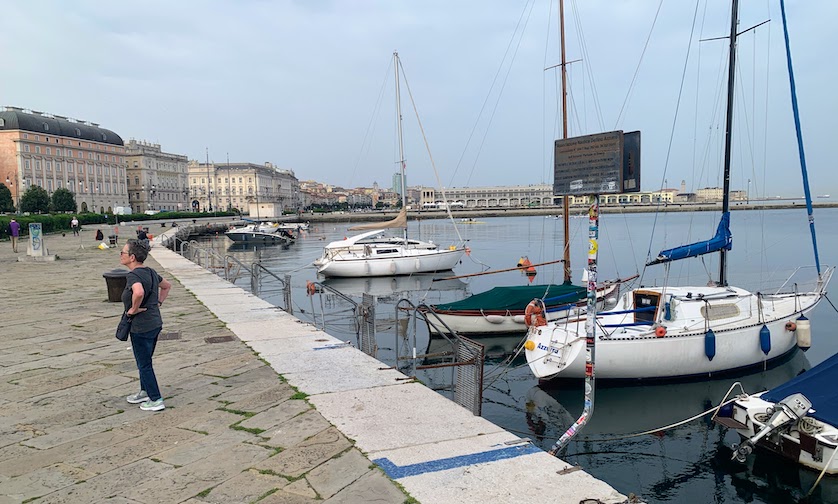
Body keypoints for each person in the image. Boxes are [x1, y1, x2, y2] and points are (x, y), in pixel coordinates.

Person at [120, 239, 172, 412]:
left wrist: (133, 310)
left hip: (141, 326)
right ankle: (144, 391)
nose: (121, 255)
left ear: (132, 257)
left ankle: (156, 399)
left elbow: (139, 292)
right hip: (155, 322)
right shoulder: (150, 272)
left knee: (144, 363)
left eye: (123, 253)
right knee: (145, 360)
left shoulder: (133, 275)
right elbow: (166, 286)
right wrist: (158, 302)